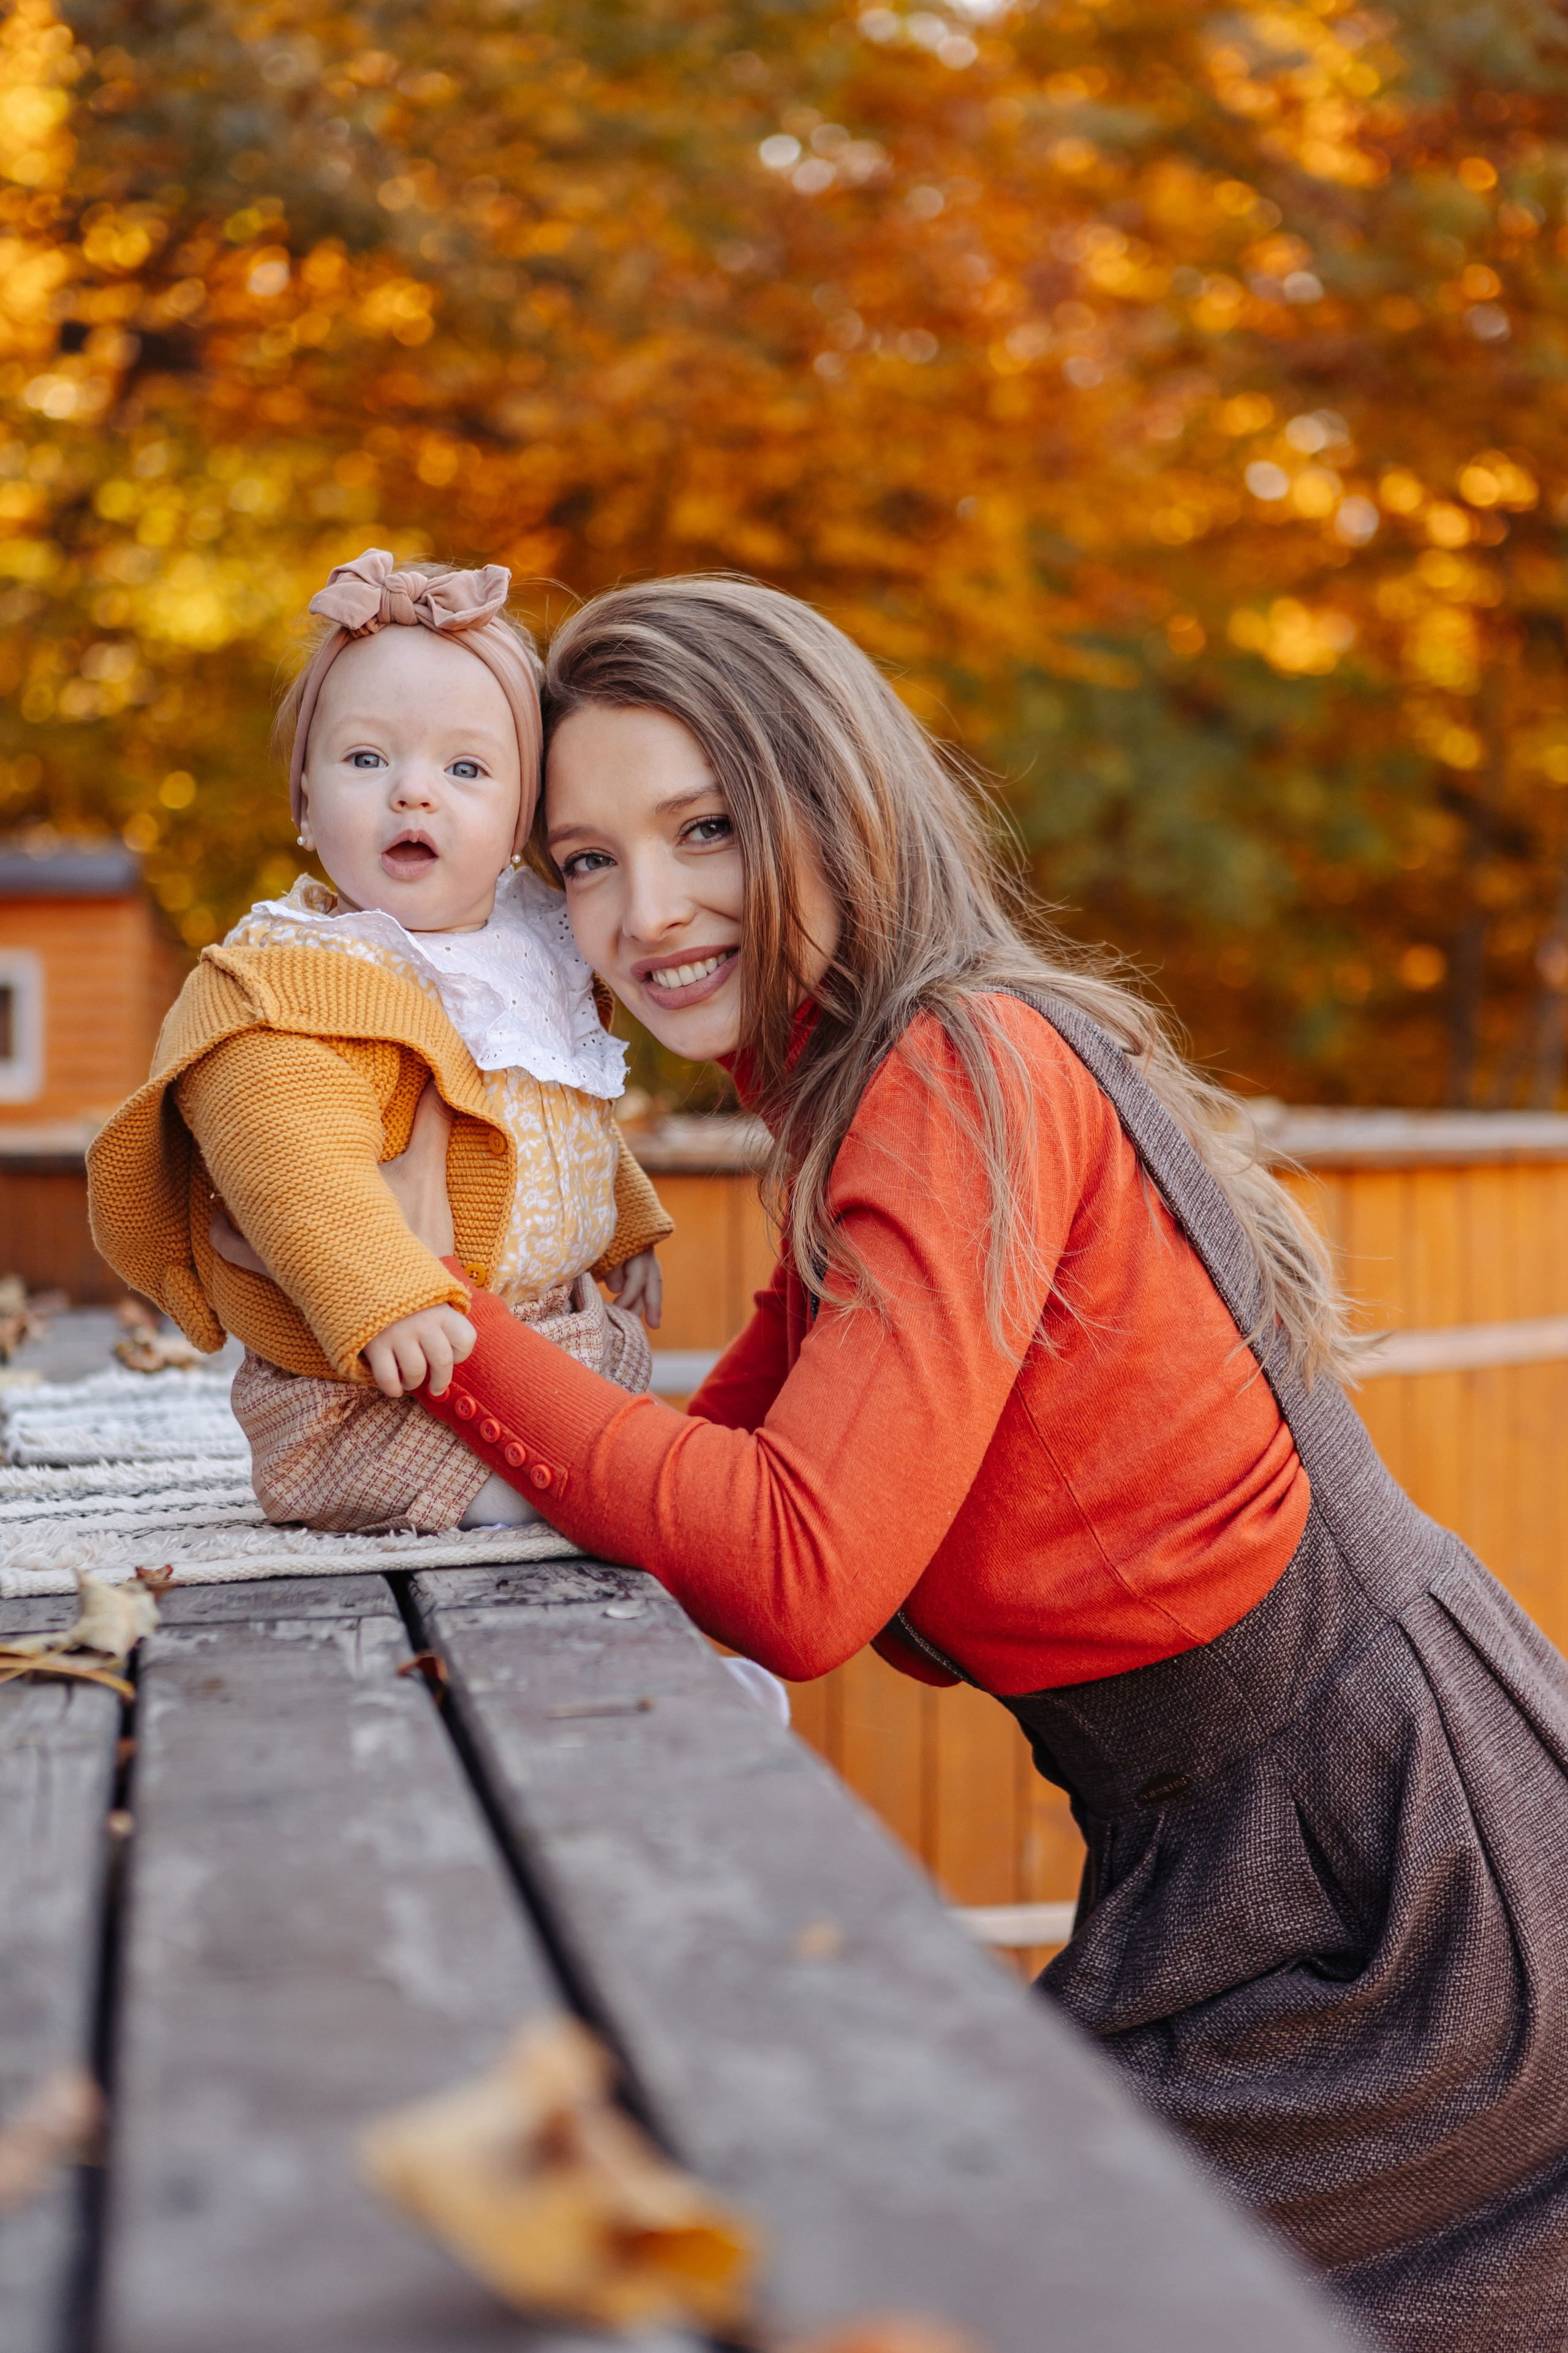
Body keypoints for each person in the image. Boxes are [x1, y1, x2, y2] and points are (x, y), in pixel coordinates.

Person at [233, 573, 1568, 2352]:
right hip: (1249, 1853)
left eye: (705, 826)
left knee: (969, 2285)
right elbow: (696, 1489)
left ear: (834, 805)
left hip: (1399, 1885)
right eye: (585, 862)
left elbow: (794, 1570)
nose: (649, 907)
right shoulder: (867, 1109)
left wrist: (427, 1315)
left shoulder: (963, 1071)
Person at [86, 550, 670, 1534]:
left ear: (523, 814)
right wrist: (382, 1294)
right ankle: (521, 1497)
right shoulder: (293, 984)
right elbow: (294, 1171)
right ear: (305, 804)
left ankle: (589, 1484)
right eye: (366, 759)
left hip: (556, 1333)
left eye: (466, 767)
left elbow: (561, 1113)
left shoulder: (535, 954)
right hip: (377, 1378)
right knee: (539, 1488)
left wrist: (628, 1218)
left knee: (638, 1443)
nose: (414, 793)